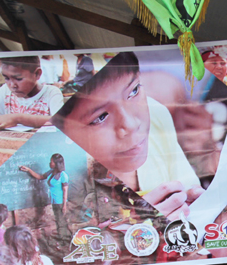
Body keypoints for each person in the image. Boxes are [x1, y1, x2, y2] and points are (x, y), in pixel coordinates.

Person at [53, 52, 204, 222]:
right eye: (100, 117)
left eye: (133, 91)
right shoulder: (71, 186)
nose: (131, 125)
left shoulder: (156, 117)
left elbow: (190, 193)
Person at [0, 56, 63, 130]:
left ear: (37, 74)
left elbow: (61, 121)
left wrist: (18, 118)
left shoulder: (51, 93)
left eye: (18, 79)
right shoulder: (5, 91)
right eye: (7, 78)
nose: (12, 85)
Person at [19, 153, 71, 245]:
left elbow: (65, 191)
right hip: (54, 201)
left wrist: (64, 205)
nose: (50, 163)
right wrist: (28, 170)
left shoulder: (63, 175)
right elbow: (40, 177)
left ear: (56, 163)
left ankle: (65, 241)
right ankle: (62, 239)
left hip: (60, 202)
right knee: (59, 220)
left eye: (51, 162)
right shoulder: (51, 172)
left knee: (61, 221)